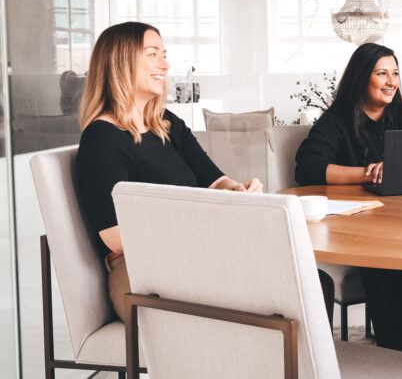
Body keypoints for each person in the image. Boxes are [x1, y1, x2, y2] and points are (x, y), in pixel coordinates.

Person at [75, 22, 313, 324]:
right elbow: (115, 237)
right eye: (153, 54)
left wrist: (237, 191)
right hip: (139, 270)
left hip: (191, 253)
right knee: (290, 285)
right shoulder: (102, 137)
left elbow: (214, 180)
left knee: (306, 280)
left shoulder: (167, 123)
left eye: (164, 55)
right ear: (120, 62)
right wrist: (201, 221)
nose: (165, 65)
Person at [295, 42, 402, 353]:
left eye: (395, 73)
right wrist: (368, 173)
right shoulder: (337, 121)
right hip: (354, 227)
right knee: (387, 261)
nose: (391, 82)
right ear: (362, 77)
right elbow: (309, 168)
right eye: (382, 74)